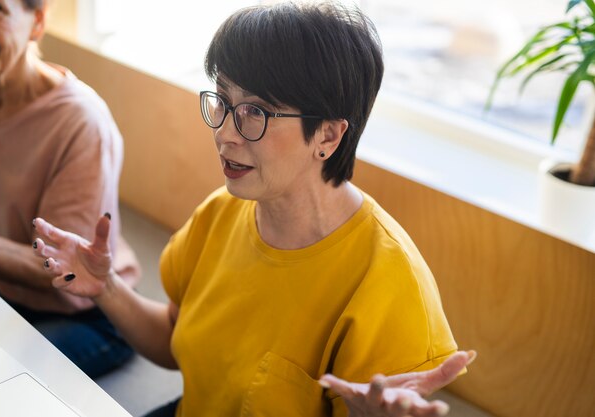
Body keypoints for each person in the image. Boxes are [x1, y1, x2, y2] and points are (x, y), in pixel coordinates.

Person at [32, 2, 476, 416]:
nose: (225, 132)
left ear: (327, 136)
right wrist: (105, 286)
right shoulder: (220, 211)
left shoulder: (390, 281)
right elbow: (173, 340)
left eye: (256, 112)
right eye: (222, 101)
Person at [0, 0, 140, 378]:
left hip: (89, 313)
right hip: (8, 290)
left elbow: (61, 267)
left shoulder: (82, 123)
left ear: (38, 21)